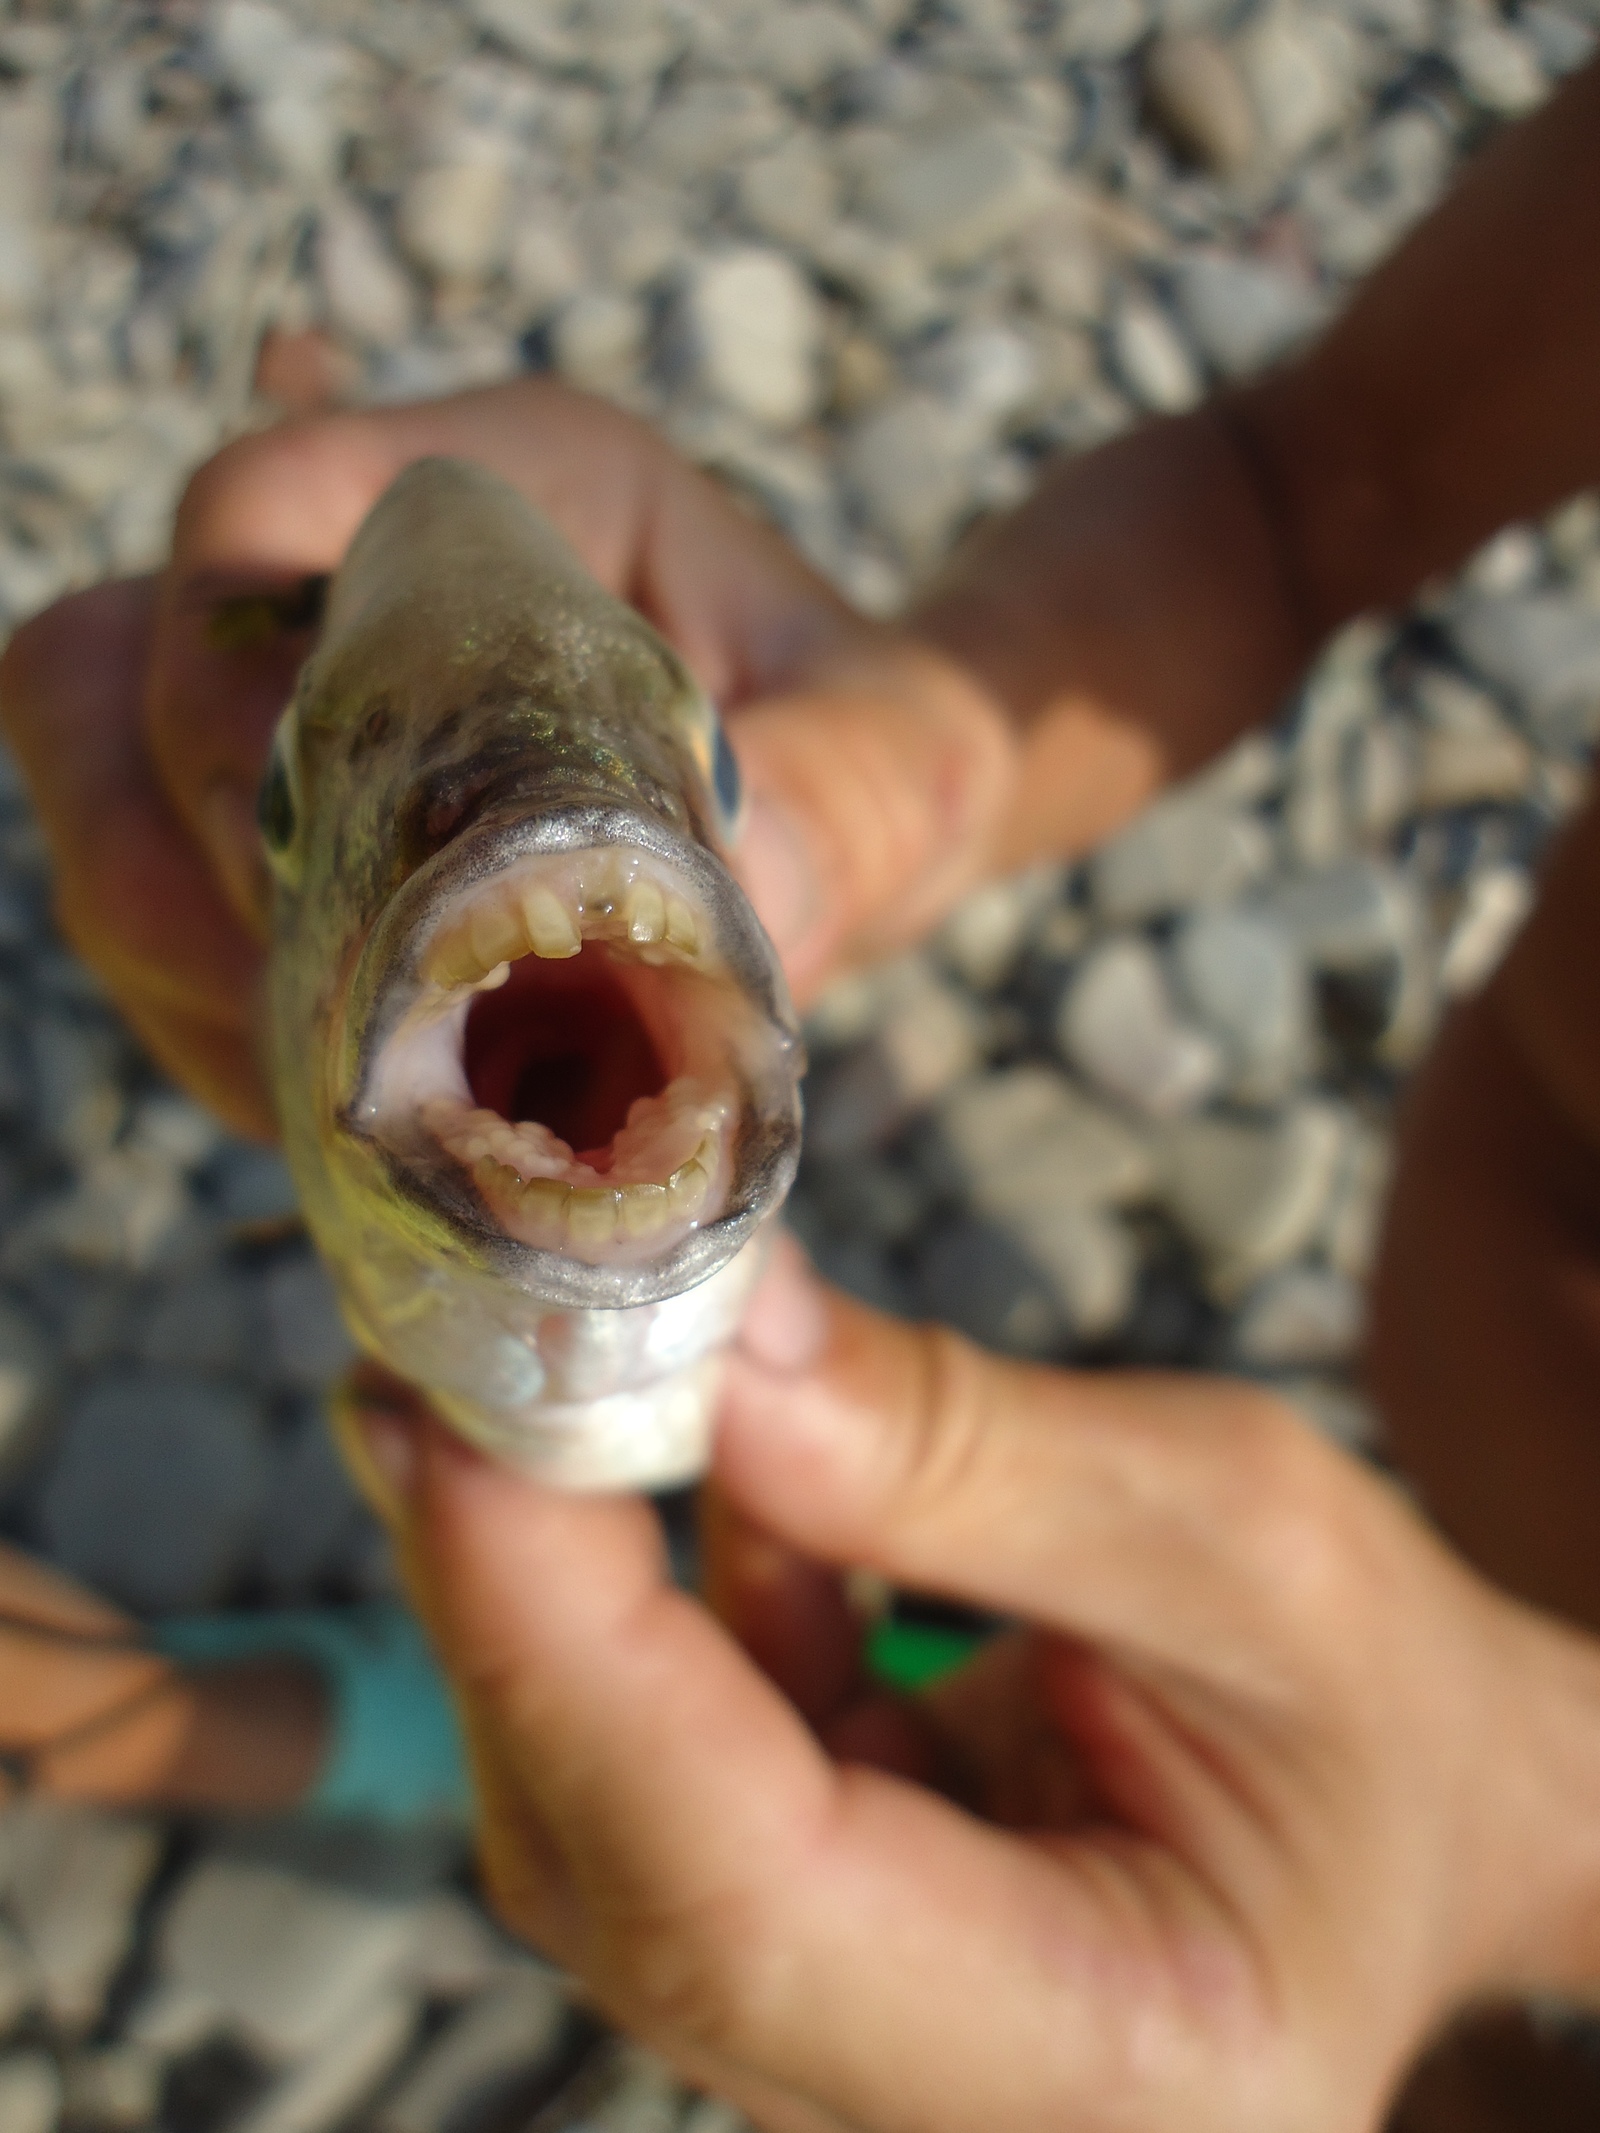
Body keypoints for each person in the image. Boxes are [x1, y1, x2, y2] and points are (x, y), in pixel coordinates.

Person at [4, 45, 1600, 2133]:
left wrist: (1520, 1851)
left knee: (666, 1645)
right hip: (1359, 1539)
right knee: (859, 1644)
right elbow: (1303, 489)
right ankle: (553, 1711)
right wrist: (919, 763)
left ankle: (337, 1722)